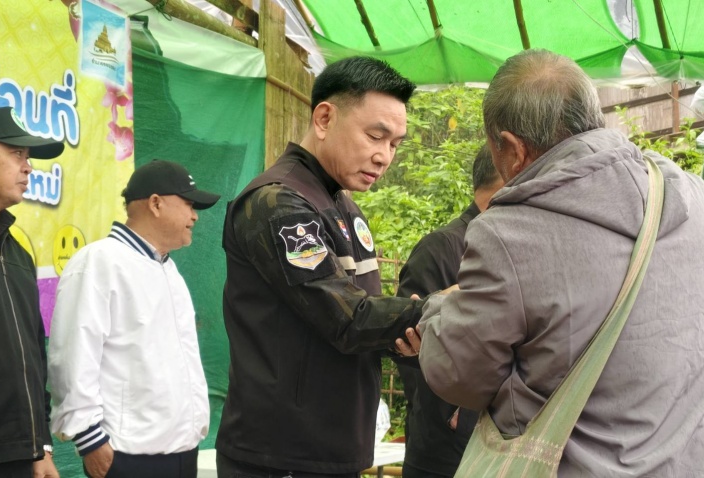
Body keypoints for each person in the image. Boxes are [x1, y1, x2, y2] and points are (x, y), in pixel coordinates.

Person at [415, 49, 704, 476]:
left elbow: (463, 377)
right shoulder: (692, 195)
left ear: (513, 148)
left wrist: (439, 311)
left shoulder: (510, 233)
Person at [217, 56, 425, 477]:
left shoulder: (343, 206)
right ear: (325, 118)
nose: (384, 156)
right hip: (281, 456)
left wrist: (400, 337)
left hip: (330, 450)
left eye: (395, 144)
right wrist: (439, 308)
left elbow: (347, 322)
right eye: (375, 136)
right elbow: (348, 319)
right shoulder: (279, 204)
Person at [47, 160, 219, 478]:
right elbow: (72, 357)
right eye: (188, 203)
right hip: (129, 457)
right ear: (155, 203)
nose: (195, 215)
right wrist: (90, 440)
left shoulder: (167, 268)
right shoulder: (99, 261)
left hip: (182, 452)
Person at [0, 106, 63, 478]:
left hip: (23, 457)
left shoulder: (19, 254)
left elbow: (33, 353)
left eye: (28, 156)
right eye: (16, 153)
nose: (28, 167)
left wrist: (41, 446)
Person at [396, 144, 503, 478]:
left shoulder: (511, 247)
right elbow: (406, 341)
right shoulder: (441, 248)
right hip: (444, 451)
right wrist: (452, 414)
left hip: (497, 448)